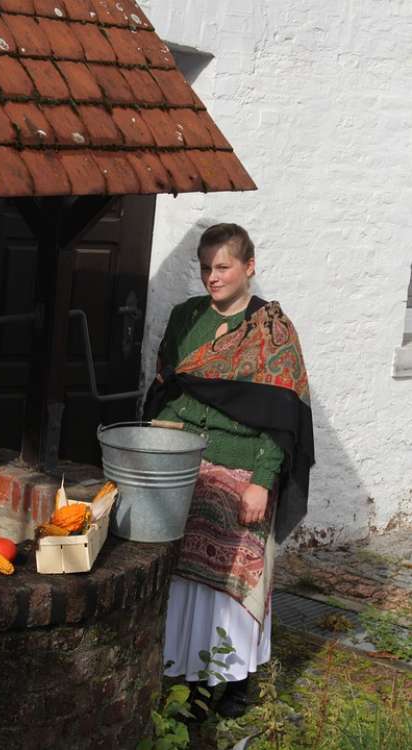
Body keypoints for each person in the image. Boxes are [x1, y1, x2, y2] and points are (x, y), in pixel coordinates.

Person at [144, 223, 315, 718]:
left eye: (222, 267)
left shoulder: (273, 331)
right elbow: (168, 389)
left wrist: (262, 481)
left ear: (249, 267)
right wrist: (158, 437)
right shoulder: (186, 318)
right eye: (205, 268)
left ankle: (237, 677)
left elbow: (282, 420)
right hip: (185, 457)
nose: (212, 278)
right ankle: (187, 674)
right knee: (182, 572)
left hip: (245, 462)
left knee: (237, 574)